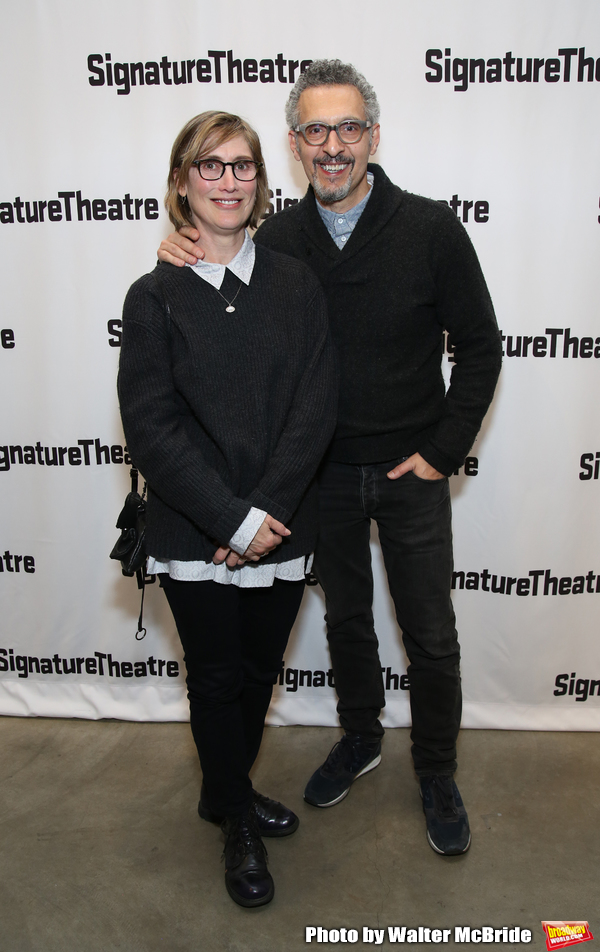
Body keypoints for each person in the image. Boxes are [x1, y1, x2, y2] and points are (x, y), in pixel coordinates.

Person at [157, 61, 503, 857]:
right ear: (295, 146)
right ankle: (360, 737)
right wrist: (182, 247)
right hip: (318, 479)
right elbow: (214, 272)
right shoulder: (274, 239)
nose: (334, 145)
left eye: (349, 127)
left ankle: (437, 771)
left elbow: (480, 347)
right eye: (316, 130)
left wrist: (443, 450)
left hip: (410, 472)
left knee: (431, 633)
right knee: (348, 622)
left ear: (373, 136)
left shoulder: (430, 227)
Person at [118, 110, 337, 907]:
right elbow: (152, 425)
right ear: (182, 183)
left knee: (255, 674)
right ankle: (237, 815)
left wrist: (265, 513)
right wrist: (230, 519)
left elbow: (317, 401)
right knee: (214, 681)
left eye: (242, 166)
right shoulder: (154, 296)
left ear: (261, 181)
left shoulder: (294, 282)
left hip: (282, 526)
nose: (228, 181)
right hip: (194, 532)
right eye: (209, 167)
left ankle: (223, 791)